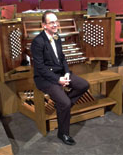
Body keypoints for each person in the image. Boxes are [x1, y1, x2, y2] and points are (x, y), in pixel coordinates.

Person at [31, 11, 89, 145]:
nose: (55, 24)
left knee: (84, 85)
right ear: (44, 25)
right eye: (51, 22)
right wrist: (58, 80)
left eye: (56, 21)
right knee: (66, 103)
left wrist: (67, 72)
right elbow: (40, 68)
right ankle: (63, 133)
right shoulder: (38, 42)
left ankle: (62, 106)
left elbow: (62, 57)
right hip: (45, 78)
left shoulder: (57, 37)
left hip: (60, 73)